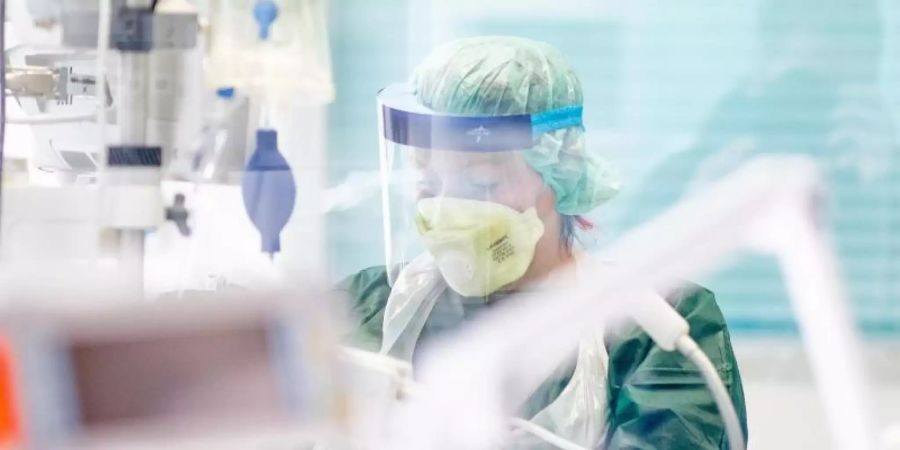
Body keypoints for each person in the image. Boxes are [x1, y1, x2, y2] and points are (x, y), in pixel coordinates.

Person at [339, 36, 747, 449]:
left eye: (482, 182)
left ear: (559, 174)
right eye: (428, 184)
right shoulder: (365, 307)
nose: (448, 210)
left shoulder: (654, 328)